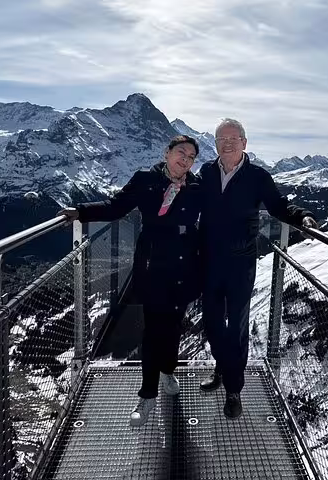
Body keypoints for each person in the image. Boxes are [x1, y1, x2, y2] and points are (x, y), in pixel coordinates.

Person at [58, 135, 201, 427]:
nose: (184, 160)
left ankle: (168, 371)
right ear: (167, 152)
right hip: (152, 263)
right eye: (180, 153)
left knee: (174, 326)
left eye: (191, 157)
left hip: (186, 265)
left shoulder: (198, 186)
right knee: (153, 330)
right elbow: (115, 207)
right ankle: (147, 395)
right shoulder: (145, 179)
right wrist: (81, 212)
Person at [198, 118, 317, 418]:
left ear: (244, 143)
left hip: (240, 263)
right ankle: (221, 367)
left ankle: (234, 389)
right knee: (212, 322)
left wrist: (301, 217)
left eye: (233, 138)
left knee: (237, 325)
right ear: (215, 144)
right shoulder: (206, 172)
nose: (227, 143)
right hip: (209, 260)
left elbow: (278, 206)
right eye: (221, 138)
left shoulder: (257, 177)